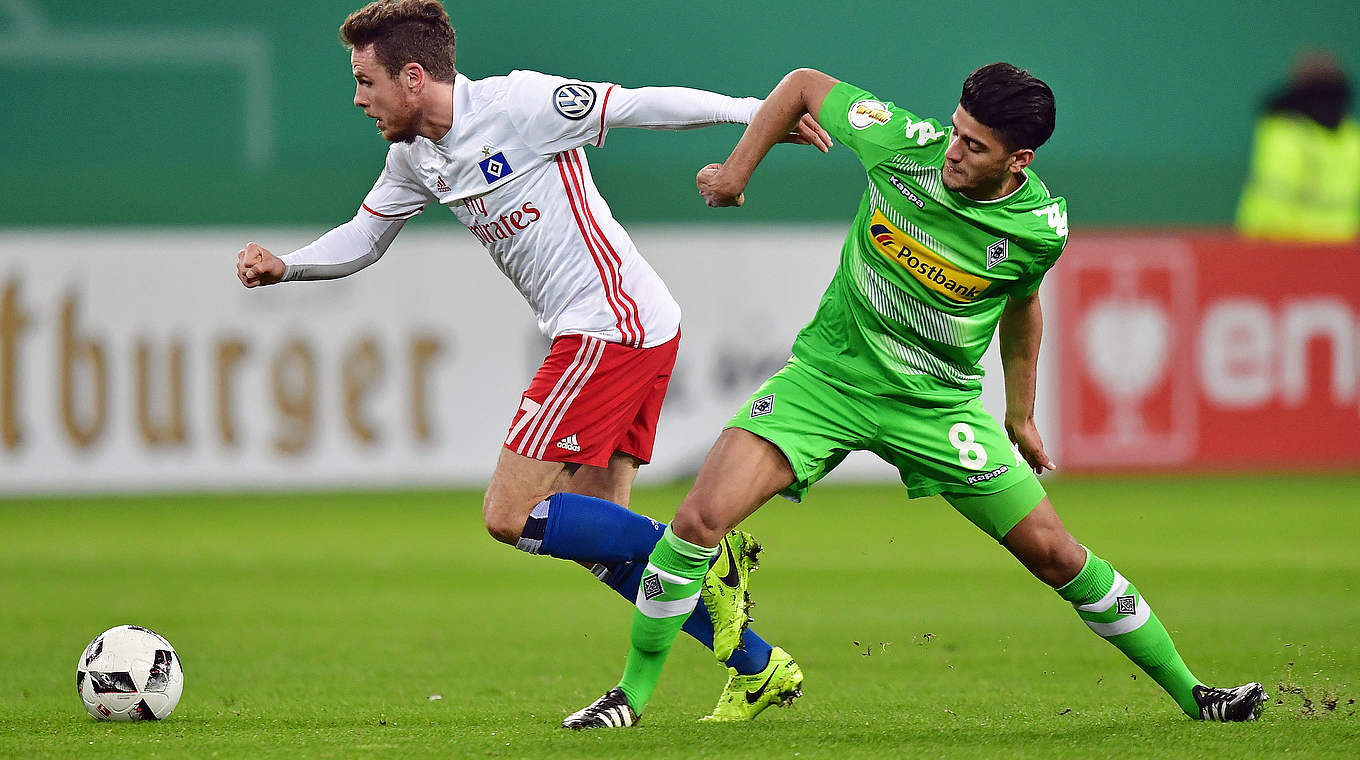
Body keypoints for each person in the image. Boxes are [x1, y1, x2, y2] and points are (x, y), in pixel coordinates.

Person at [564, 64, 1268, 729]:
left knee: (1057, 555)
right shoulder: (900, 141)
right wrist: (733, 173)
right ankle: (631, 694)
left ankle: (1195, 694)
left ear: (1018, 160)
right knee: (696, 520)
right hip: (827, 383)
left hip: (939, 409)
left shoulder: (1038, 228)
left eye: (974, 145)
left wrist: (1019, 412)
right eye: (956, 130)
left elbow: (1023, 304)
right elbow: (804, 86)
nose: (953, 152)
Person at [235, 0, 830, 721]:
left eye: (366, 81)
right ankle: (758, 664)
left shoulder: (519, 105)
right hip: (626, 328)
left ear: (414, 76)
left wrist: (755, 115)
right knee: (598, 539)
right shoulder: (414, 157)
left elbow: (638, 106)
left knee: (508, 513)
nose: (358, 99)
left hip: (609, 326)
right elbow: (365, 236)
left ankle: (704, 551)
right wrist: (287, 267)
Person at [1236, 50, 1360, 242]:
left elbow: (1274, 195)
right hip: (1340, 250)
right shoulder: (1352, 137)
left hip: (1283, 247)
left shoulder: (1283, 132)